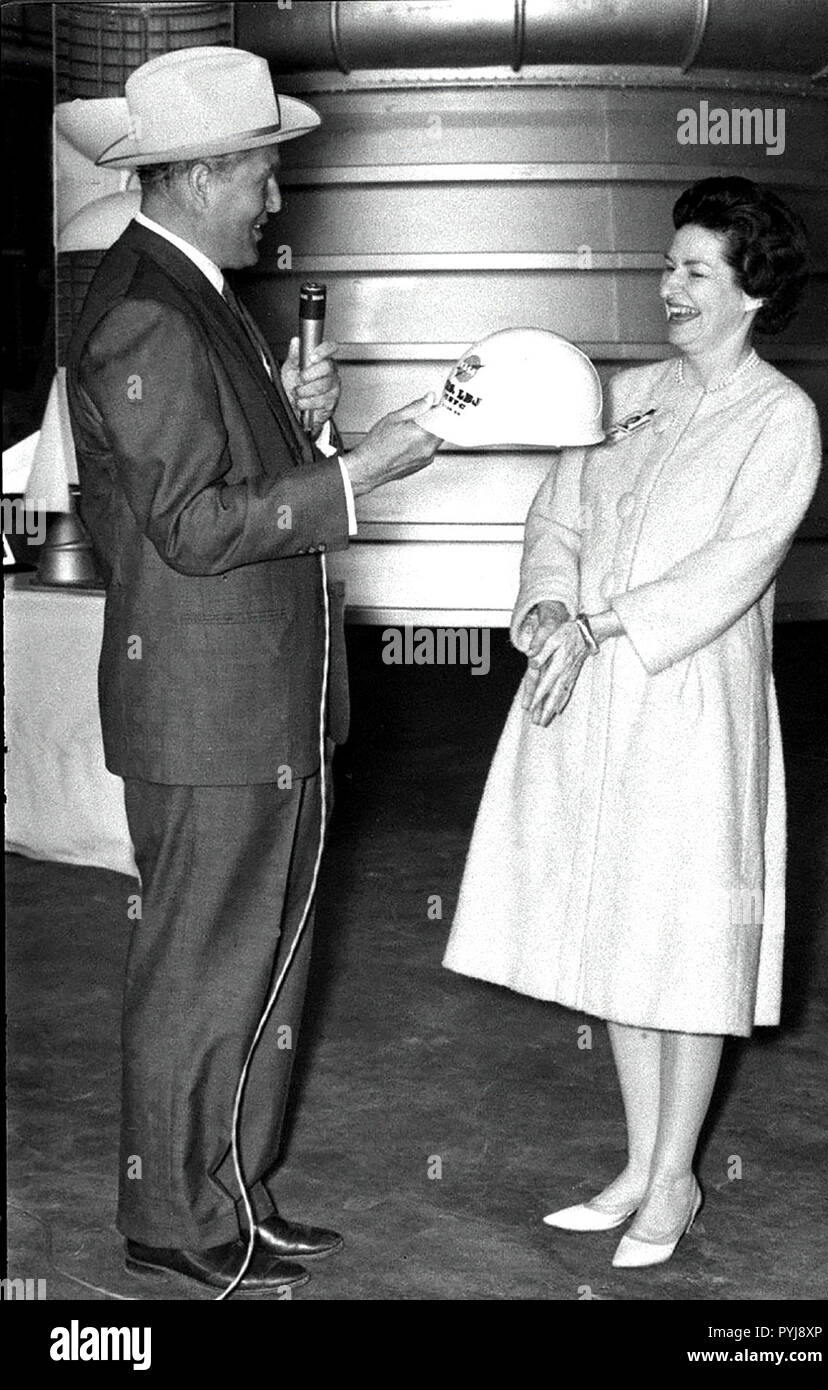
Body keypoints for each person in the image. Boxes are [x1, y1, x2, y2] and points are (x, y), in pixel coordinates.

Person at [66, 46, 439, 1293]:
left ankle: (229, 1186)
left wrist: (289, 413)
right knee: (200, 965)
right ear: (203, 171)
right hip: (207, 712)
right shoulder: (145, 310)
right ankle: (168, 1218)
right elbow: (193, 526)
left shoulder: (198, 296)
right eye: (263, 174)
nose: (275, 198)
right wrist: (354, 473)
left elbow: (208, 474)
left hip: (252, 702)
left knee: (264, 959)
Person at [443, 176, 821, 1267]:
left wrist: (604, 620)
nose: (669, 286)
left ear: (750, 293)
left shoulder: (781, 417)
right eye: (668, 265)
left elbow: (732, 565)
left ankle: (673, 1182)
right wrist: (552, 602)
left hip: (689, 703)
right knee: (614, 931)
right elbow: (553, 517)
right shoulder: (622, 395)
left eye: (694, 270)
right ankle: (635, 1160)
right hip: (585, 686)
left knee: (683, 942)